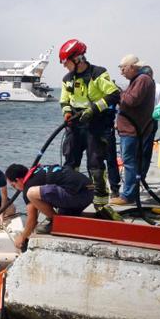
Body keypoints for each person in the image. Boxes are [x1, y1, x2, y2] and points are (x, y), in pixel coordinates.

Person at [57, 39, 122, 220]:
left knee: (95, 166)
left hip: (97, 126)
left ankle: (101, 204)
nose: (64, 66)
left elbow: (114, 94)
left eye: (65, 62)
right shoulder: (67, 79)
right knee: (70, 164)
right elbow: (64, 100)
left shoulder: (98, 73)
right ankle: (70, 200)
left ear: (77, 59)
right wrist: (67, 112)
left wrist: (94, 109)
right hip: (75, 127)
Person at [4, 163, 94, 250]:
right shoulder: (38, 171)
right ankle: (59, 219)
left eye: (13, 185)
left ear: (18, 180)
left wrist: (22, 237)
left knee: (31, 193)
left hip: (78, 195)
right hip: (89, 192)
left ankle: (56, 221)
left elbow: (32, 218)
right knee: (64, 215)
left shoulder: (29, 185)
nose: (16, 189)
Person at [112, 54, 156, 206]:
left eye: (123, 68)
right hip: (132, 129)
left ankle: (127, 196)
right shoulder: (138, 80)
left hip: (133, 131)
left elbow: (131, 100)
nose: (121, 72)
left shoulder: (142, 80)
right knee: (133, 162)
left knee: (130, 162)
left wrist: (117, 93)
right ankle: (131, 192)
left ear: (132, 67)